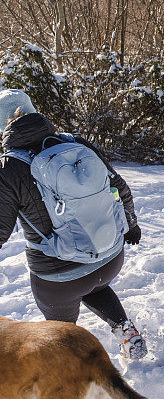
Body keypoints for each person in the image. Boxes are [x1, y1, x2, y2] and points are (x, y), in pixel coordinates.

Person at [0, 89, 147, 359]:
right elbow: (120, 188)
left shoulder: (8, 168)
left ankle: (77, 367)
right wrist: (132, 225)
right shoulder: (75, 143)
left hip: (58, 276)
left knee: (60, 329)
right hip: (109, 257)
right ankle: (126, 331)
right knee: (96, 285)